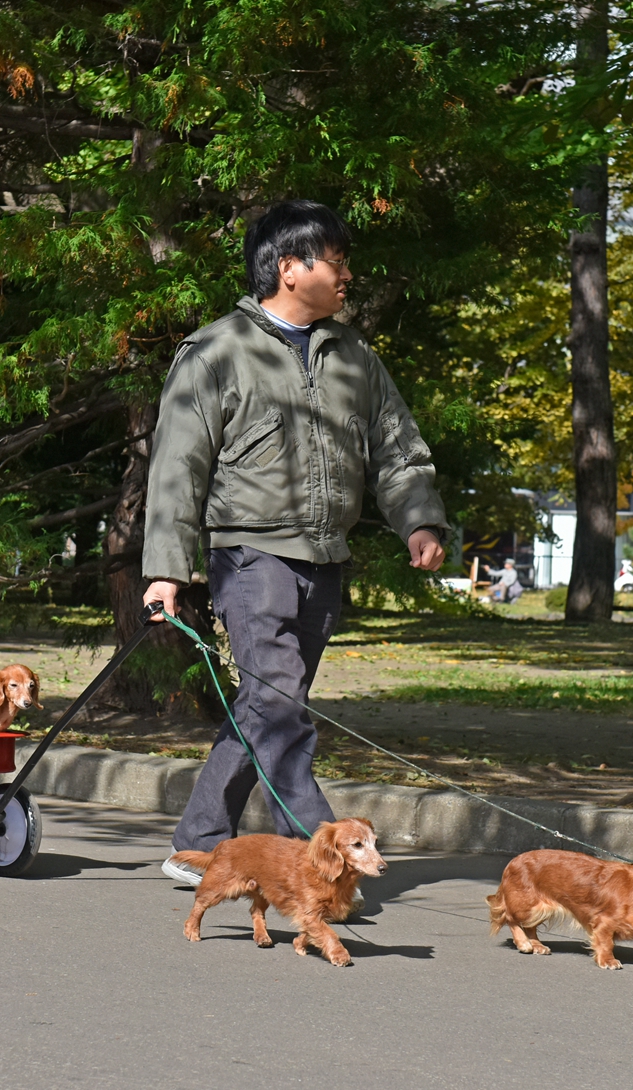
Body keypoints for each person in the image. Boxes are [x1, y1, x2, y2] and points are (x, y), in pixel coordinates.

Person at [141, 200, 448, 886]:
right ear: (289, 267)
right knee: (279, 706)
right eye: (335, 261)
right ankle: (322, 857)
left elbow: (398, 449)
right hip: (251, 558)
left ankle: (197, 844)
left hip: (325, 562)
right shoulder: (217, 351)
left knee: (266, 708)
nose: (347, 275)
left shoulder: (354, 358)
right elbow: (177, 467)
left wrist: (419, 519)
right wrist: (167, 570)